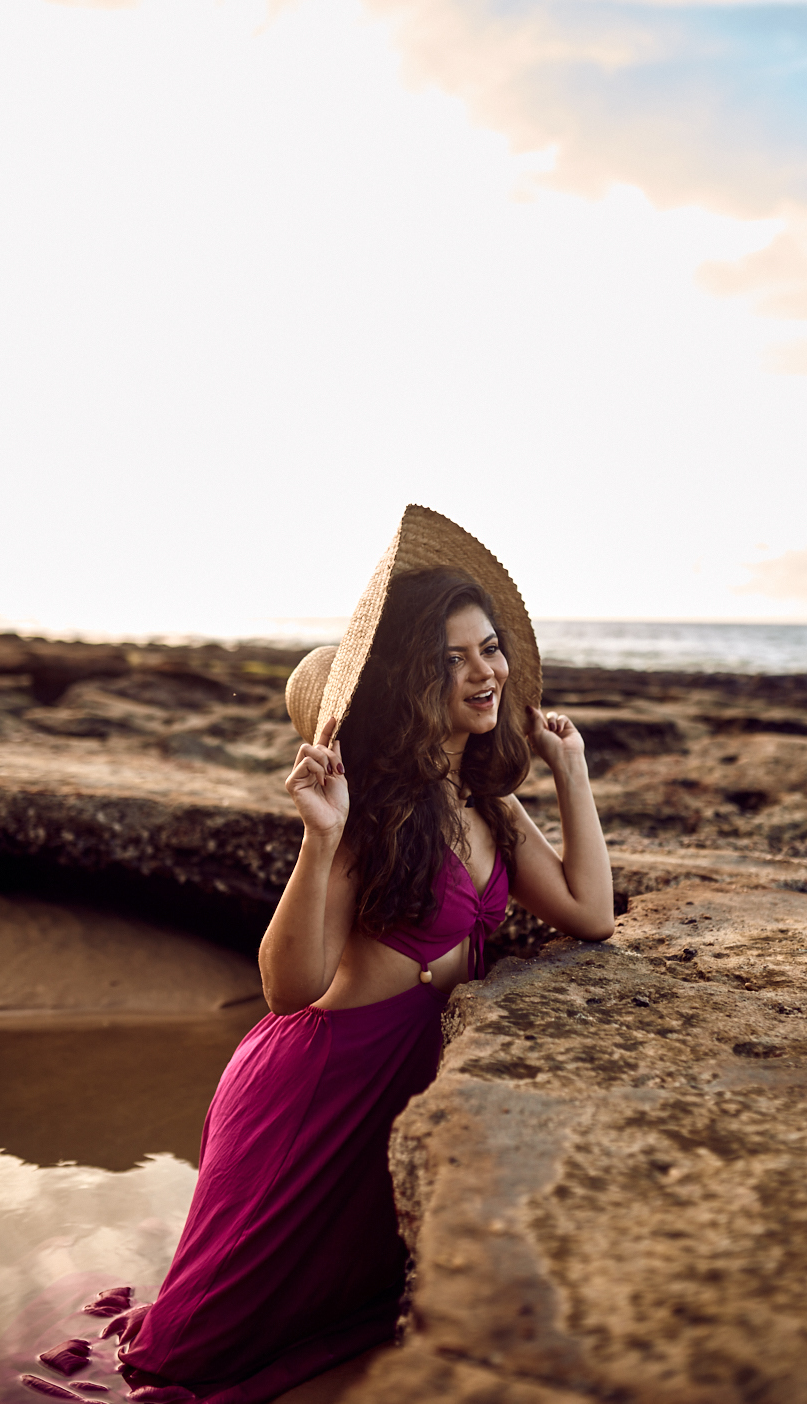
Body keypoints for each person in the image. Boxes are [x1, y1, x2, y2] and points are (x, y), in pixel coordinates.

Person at [77, 506, 614, 1403]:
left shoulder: (489, 805)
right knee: (198, 1348)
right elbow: (290, 990)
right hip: (315, 1090)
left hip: (400, 1089)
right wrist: (318, 840)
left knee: (347, 1306)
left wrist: (572, 774)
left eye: (490, 649)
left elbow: (589, 914)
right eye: (452, 660)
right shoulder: (369, 812)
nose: (484, 672)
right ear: (410, 679)